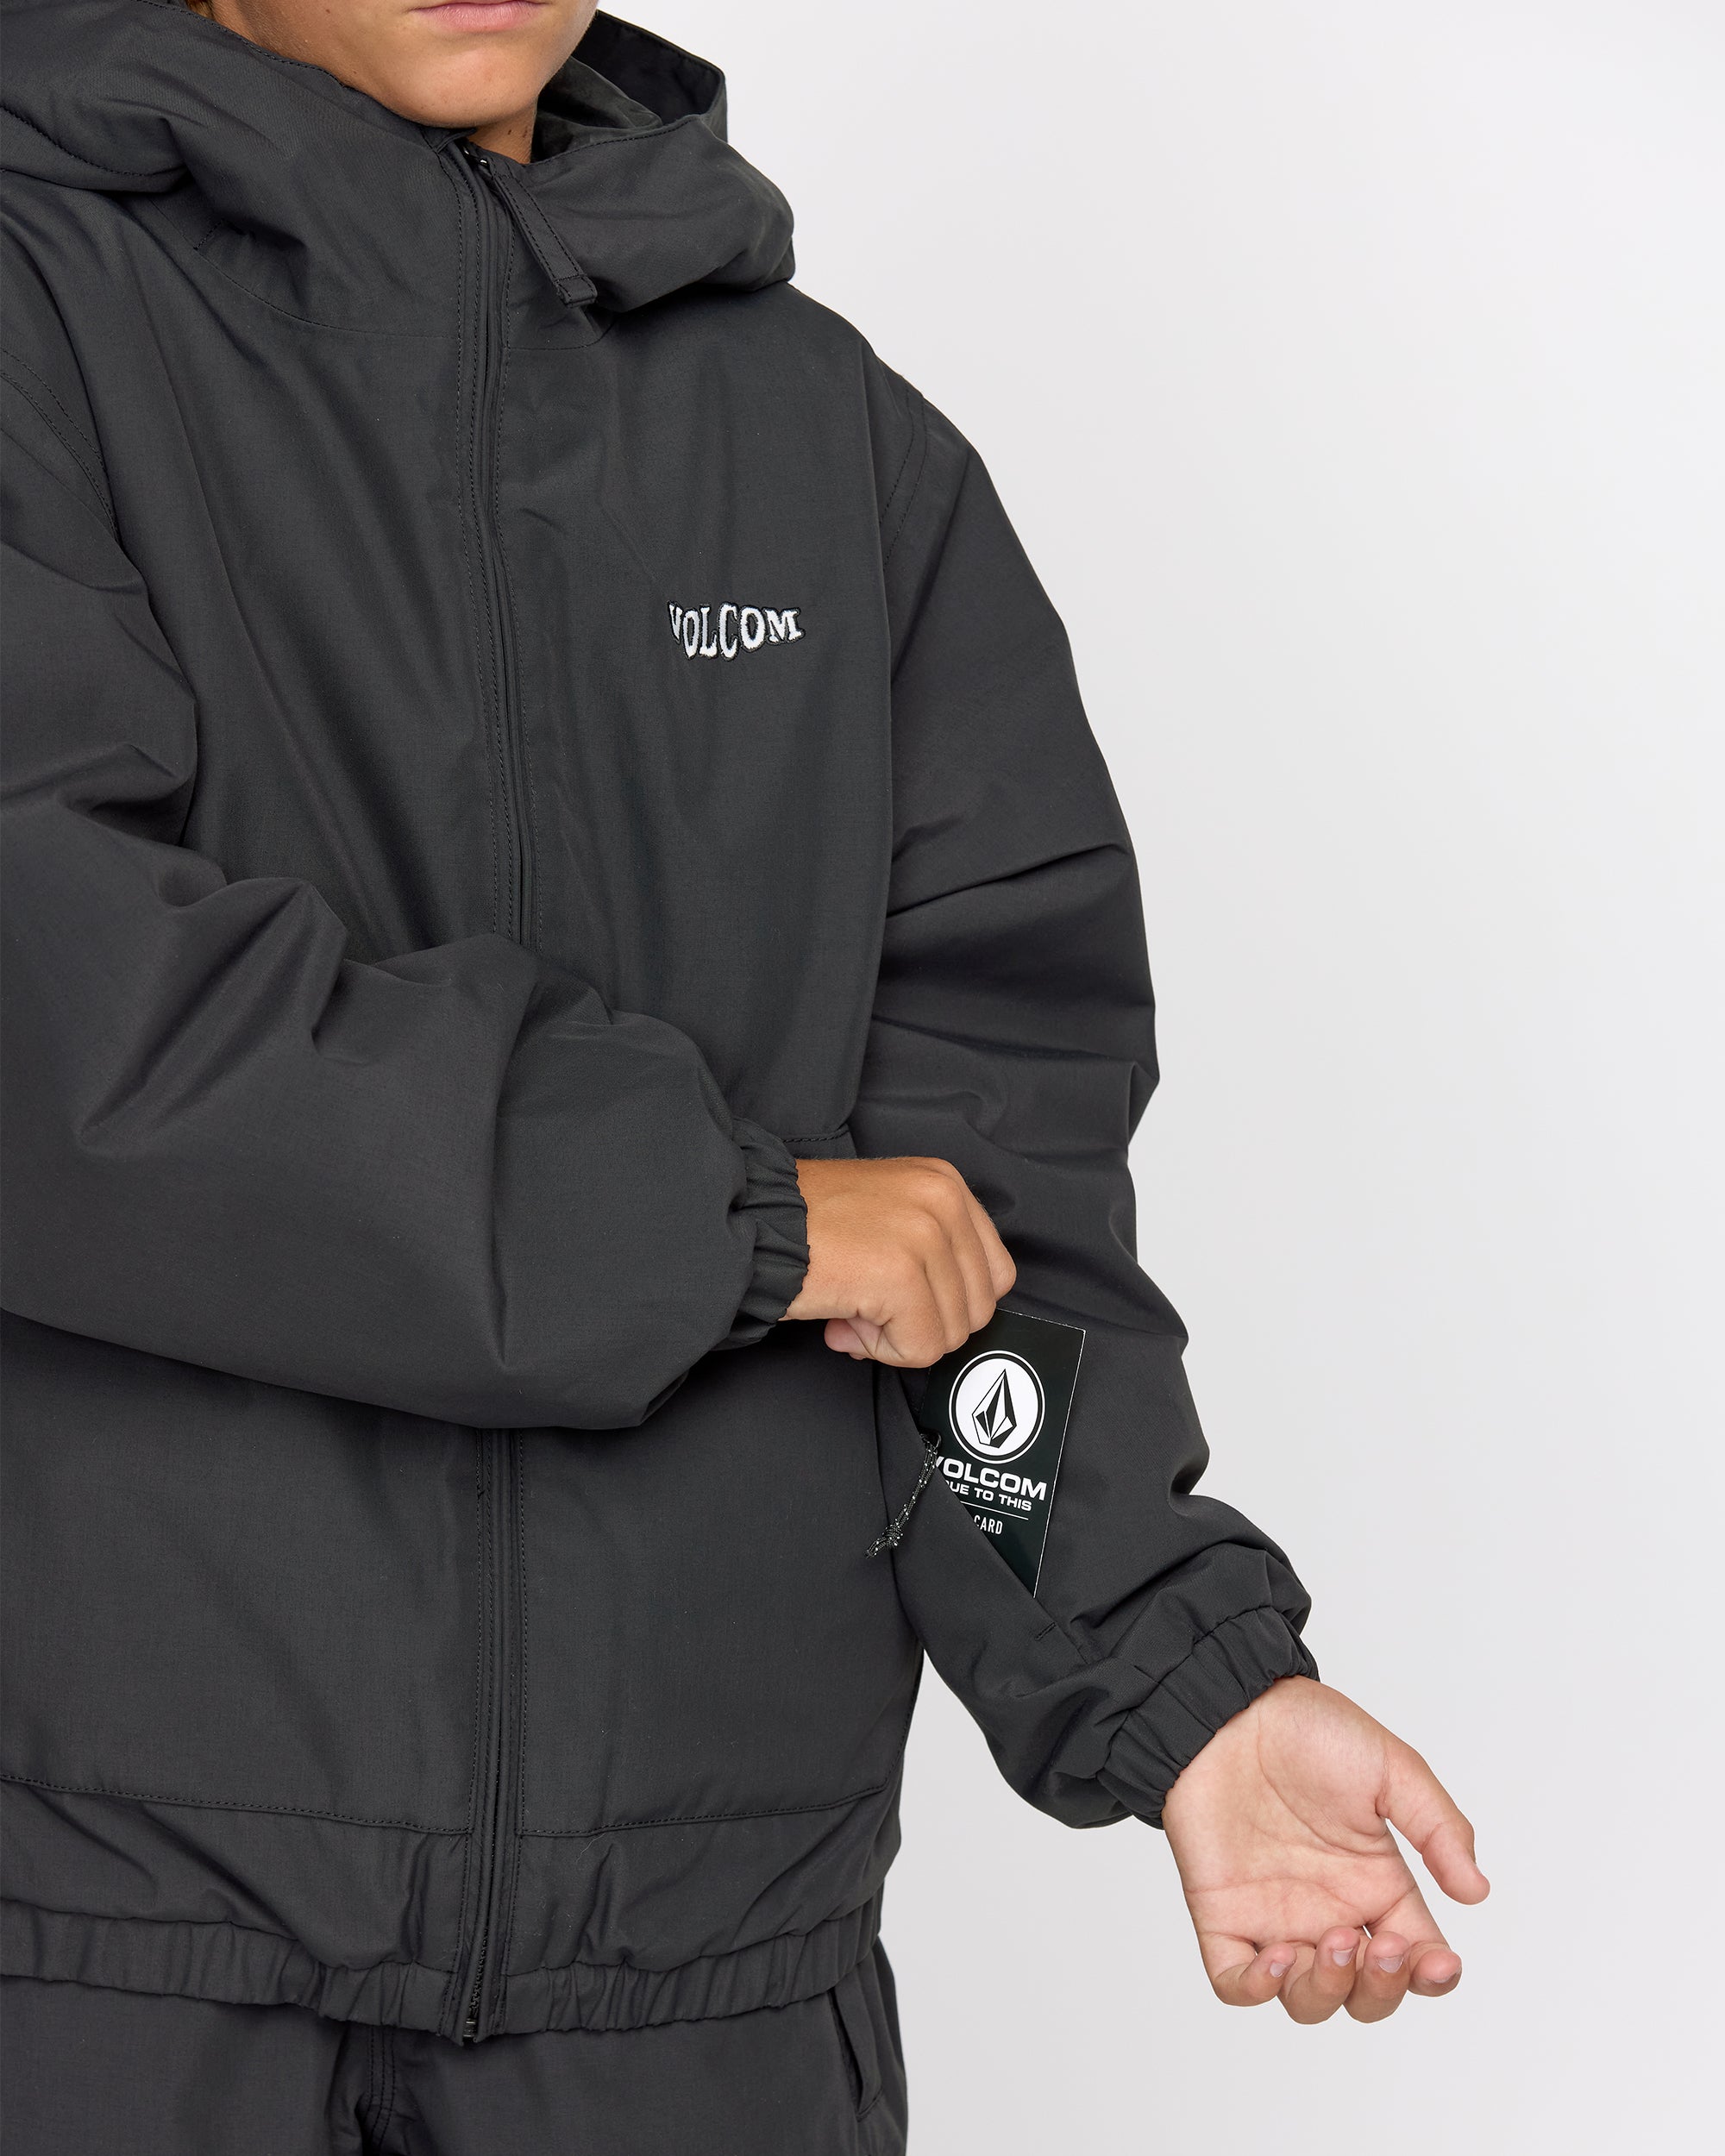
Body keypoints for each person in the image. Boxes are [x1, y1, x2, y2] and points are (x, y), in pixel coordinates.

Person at [0, 3, 1490, 2149]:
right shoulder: (40, 318)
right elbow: (62, 1014)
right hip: (90, 1962)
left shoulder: (836, 452)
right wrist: (734, 1221)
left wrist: (1171, 1676)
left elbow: (984, 1224)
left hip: (696, 2003)